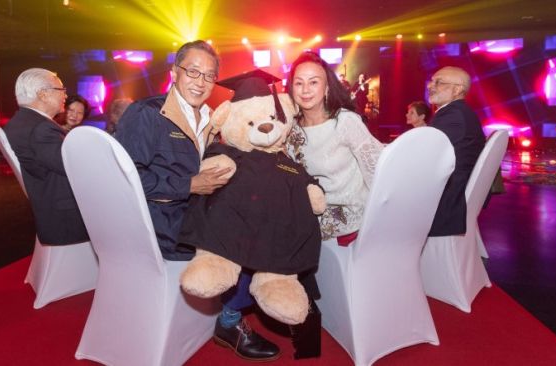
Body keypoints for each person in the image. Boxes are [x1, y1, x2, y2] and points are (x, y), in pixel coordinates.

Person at [115, 40, 280, 362]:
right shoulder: (147, 114)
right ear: (175, 73)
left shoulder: (208, 118)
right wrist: (188, 185)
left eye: (209, 76)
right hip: (165, 227)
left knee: (263, 214)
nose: (201, 82)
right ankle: (230, 323)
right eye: (193, 71)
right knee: (254, 238)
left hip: (191, 215)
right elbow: (125, 178)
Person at [286, 51, 383, 245]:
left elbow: (377, 171)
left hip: (350, 228)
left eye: (313, 82)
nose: (305, 90)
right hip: (306, 222)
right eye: (299, 83)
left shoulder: (345, 122)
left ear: (327, 87)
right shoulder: (289, 128)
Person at [3, 68, 89, 245]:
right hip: (66, 214)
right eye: (61, 90)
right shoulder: (41, 128)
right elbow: (73, 167)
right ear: (42, 94)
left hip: (48, 204)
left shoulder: (18, 122)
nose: (65, 95)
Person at [427, 66, 485, 236]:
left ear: (458, 89)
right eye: (431, 81)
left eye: (439, 82)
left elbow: (426, 156)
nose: (431, 86)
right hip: (454, 194)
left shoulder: (453, 115)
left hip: (446, 202)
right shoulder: (460, 111)